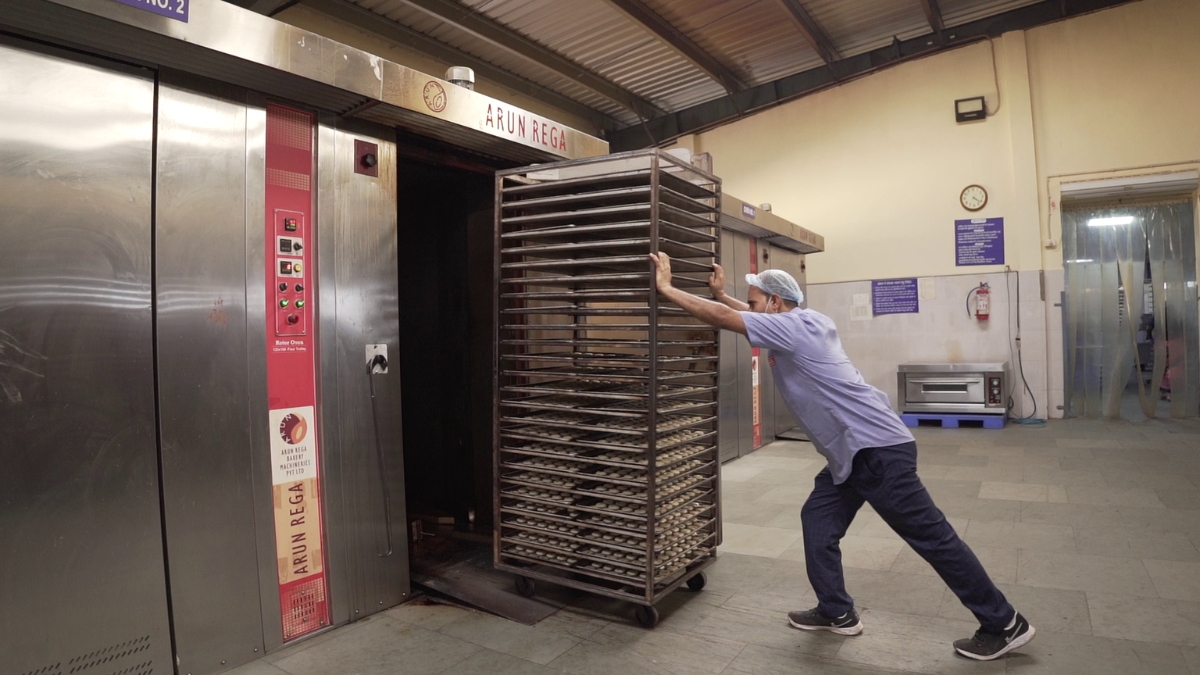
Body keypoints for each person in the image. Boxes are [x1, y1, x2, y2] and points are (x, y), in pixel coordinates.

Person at [649, 252, 1035, 661]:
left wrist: (667, 289)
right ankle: (836, 611)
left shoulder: (791, 329)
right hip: (854, 455)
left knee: (933, 539)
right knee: (818, 519)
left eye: (756, 301)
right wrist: (721, 295)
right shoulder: (808, 321)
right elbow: (744, 314)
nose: (751, 308)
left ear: (776, 303)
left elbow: (729, 320)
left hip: (875, 451)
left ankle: (1003, 622)